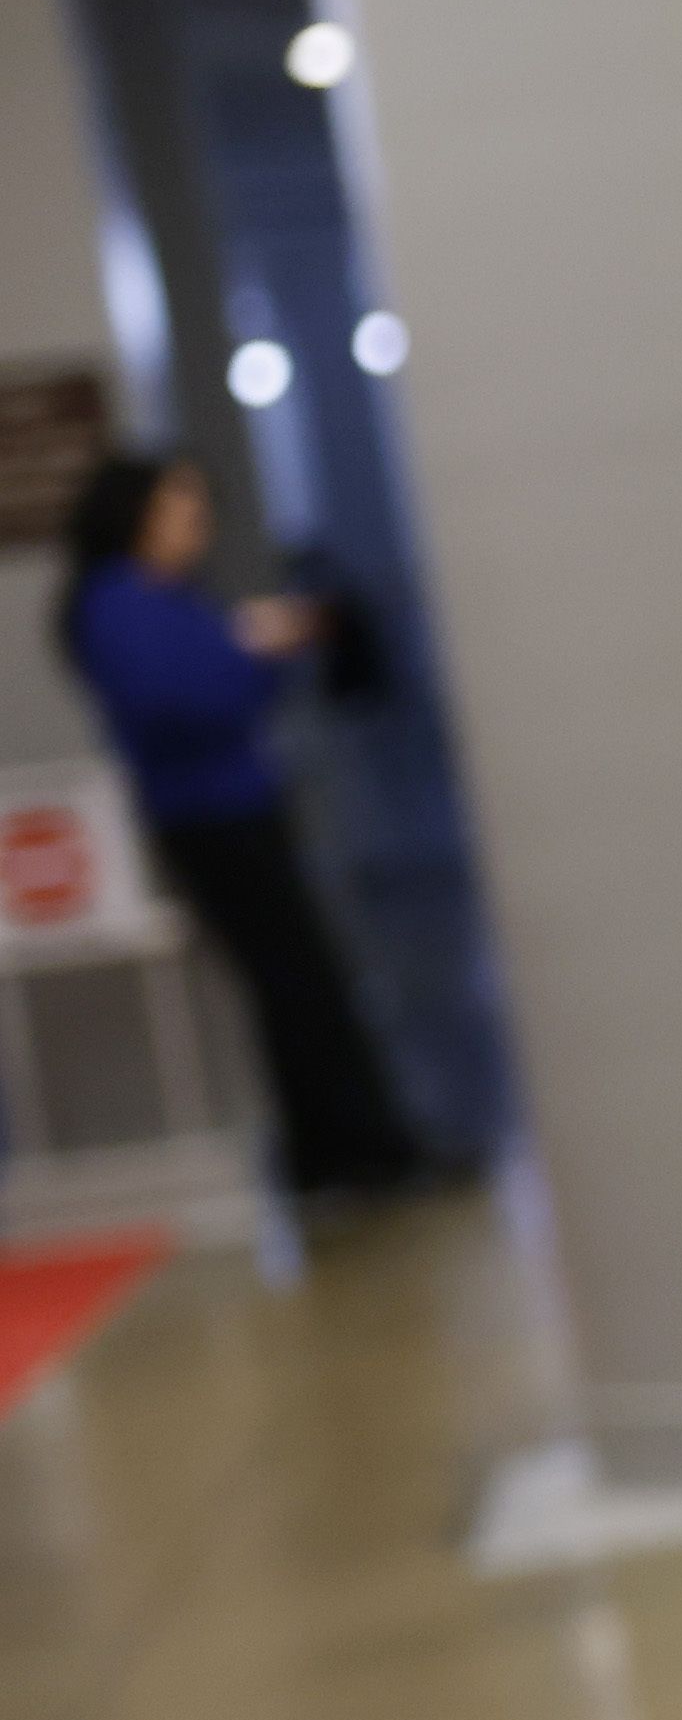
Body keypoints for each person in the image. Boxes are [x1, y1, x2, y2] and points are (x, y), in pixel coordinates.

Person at [46, 448, 436, 1202]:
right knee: (298, 986)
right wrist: (251, 648)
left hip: (237, 804)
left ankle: (341, 1151)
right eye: (180, 510)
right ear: (137, 517)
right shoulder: (121, 604)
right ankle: (356, 1151)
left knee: (301, 985)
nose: (196, 526)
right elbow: (188, 700)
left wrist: (253, 649)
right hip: (210, 818)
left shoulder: (168, 597)